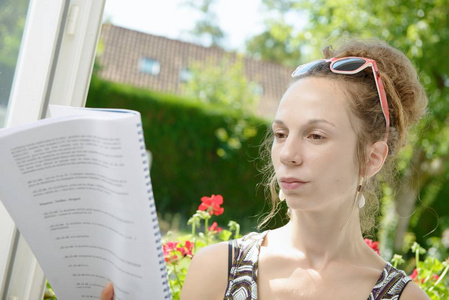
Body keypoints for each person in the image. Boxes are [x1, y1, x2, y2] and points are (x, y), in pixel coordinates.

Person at [101, 38, 430, 299]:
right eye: (281, 134)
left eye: (315, 135)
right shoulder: (219, 269)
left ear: (372, 158)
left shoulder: (404, 298)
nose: (288, 154)